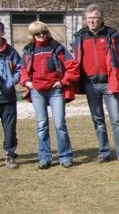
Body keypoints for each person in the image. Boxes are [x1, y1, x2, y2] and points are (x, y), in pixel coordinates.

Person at [72, 3, 119, 165]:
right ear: (86, 19)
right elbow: (75, 58)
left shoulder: (111, 34)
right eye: (89, 18)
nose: (92, 21)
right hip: (90, 84)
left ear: (101, 19)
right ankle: (104, 152)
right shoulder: (80, 36)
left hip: (108, 82)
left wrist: (114, 72)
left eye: (95, 18)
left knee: (116, 120)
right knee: (98, 120)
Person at [20, 21, 79, 169]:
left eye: (44, 32)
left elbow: (72, 66)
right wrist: (26, 82)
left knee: (60, 124)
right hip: (37, 91)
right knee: (42, 125)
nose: (41, 35)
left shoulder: (57, 48)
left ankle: (65, 156)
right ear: (32, 35)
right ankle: (44, 157)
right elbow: (22, 70)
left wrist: (63, 82)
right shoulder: (28, 50)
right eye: (38, 33)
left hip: (55, 91)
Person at [0, 22, 21, 169]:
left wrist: (10, 82)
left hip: (8, 97)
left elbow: (19, 69)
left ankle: (9, 154)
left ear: (2, 33)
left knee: (10, 128)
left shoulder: (11, 52)